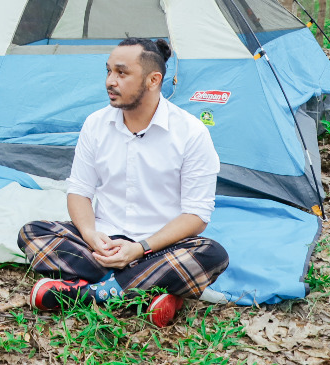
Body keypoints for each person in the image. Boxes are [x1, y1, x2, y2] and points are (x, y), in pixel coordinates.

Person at [18, 37, 229, 327]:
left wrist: (141, 248)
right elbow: (79, 191)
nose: (110, 81)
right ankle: (145, 289)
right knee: (33, 232)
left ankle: (90, 292)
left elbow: (197, 215)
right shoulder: (95, 123)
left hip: (159, 246)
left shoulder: (191, 133)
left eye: (121, 73)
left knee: (212, 254)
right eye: (108, 72)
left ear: (153, 80)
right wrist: (91, 235)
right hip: (103, 243)